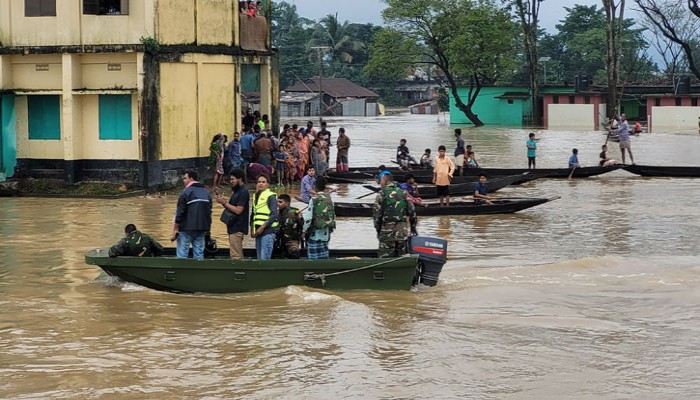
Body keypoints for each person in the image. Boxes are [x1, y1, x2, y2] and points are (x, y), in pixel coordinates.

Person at [373, 173, 418, 258]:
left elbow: (376, 215)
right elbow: (412, 212)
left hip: (386, 232)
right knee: (402, 257)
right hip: (402, 231)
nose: (380, 183)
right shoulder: (403, 193)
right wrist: (413, 227)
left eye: (381, 180)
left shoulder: (381, 194)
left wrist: (378, 230)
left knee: (385, 259)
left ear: (386, 181)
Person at [171, 170, 212, 260]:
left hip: (186, 228)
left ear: (191, 179)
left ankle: (181, 272)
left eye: (185, 178)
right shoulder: (206, 193)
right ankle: (198, 272)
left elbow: (180, 212)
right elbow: (209, 212)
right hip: (202, 228)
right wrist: (208, 229)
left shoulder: (185, 192)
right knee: (199, 254)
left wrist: (175, 229)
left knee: (182, 254)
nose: (183, 181)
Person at [215, 169, 249, 259]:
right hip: (233, 227)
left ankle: (238, 272)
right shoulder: (237, 191)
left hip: (238, 227)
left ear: (240, 179)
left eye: (233, 179)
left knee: (236, 255)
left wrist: (224, 203)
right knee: (236, 253)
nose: (231, 182)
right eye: (230, 179)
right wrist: (223, 202)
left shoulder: (243, 192)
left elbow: (238, 210)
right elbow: (232, 208)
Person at [302, 177, 336, 259]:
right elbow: (333, 215)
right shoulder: (329, 198)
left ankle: (314, 270)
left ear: (315, 187)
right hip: (326, 232)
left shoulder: (313, 199)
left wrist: (304, 231)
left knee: (314, 256)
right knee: (324, 253)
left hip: (315, 233)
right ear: (324, 187)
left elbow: (308, 218)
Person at [250, 174, 278, 260]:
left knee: (264, 258)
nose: (261, 184)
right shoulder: (256, 196)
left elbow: (274, 214)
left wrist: (262, 227)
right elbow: (253, 214)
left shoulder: (271, 197)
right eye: (259, 182)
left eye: (263, 182)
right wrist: (252, 229)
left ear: (268, 184)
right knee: (259, 258)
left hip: (268, 231)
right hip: (258, 232)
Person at [275, 194, 303, 259]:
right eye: (277, 202)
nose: (278, 204)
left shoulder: (294, 212)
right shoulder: (276, 213)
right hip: (280, 240)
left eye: (280, 202)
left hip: (292, 240)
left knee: (294, 253)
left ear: (287, 203)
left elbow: (302, 226)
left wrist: (300, 236)